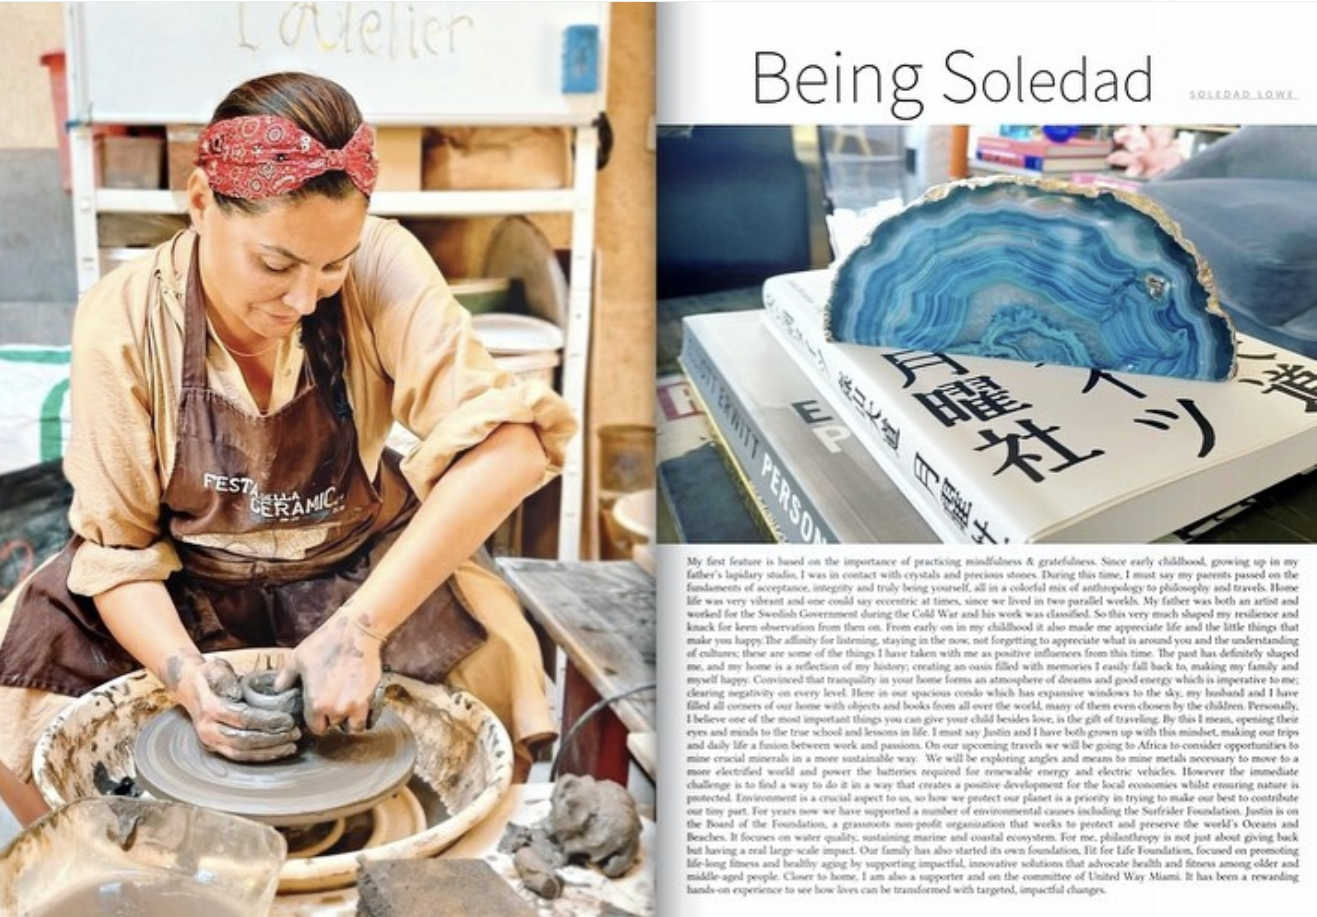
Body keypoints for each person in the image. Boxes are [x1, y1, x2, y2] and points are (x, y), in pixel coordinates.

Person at [0, 72, 576, 783]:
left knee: (497, 652)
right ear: (203, 202)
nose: (304, 297)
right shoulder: (122, 317)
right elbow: (118, 553)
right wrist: (187, 677)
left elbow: (512, 445)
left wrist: (361, 629)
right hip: (187, 574)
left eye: (332, 266)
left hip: (350, 560)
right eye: (276, 263)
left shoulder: (383, 263)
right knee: (19, 684)